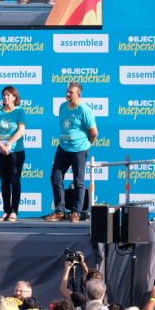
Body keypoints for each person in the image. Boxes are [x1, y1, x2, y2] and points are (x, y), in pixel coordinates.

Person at [44, 81, 97, 222]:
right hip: (63, 148)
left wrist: (85, 145)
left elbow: (94, 132)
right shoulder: (62, 107)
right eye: (67, 91)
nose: (67, 94)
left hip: (79, 150)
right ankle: (60, 211)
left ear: (78, 94)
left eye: (71, 92)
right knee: (56, 178)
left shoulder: (84, 110)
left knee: (78, 181)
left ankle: (76, 212)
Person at [0, 86, 26, 221]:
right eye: (4, 95)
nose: (6, 97)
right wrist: (0, 145)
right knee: (4, 182)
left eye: (9, 95)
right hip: (0, 151)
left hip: (15, 151)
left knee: (15, 180)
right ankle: (6, 210)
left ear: (15, 97)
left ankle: (14, 211)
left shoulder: (20, 112)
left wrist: (9, 143)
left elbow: (21, 130)